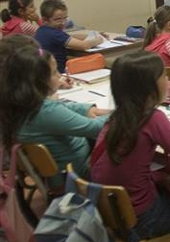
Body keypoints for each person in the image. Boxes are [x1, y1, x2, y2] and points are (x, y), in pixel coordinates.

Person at [91, 51, 170, 242]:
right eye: (163, 76)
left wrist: (162, 178)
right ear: (150, 86)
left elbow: (128, 171)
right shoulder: (152, 117)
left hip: (117, 215)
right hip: (144, 220)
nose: (168, 79)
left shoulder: (117, 118)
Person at [17, 51, 110, 184]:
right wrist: (120, 114)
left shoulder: (23, 103)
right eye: (55, 72)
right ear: (40, 80)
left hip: (58, 170)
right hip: (76, 174)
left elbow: (61, 108)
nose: (60, 76)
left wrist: (87, 109)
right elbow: (95, 128)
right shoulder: (46, 111)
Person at [34, 0, 104, 73]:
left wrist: (92, 35)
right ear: (45, 20)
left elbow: (69, 36)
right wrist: (99, 39)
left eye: (65, 18)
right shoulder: (55, 34)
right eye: (58, 20)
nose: (63, 23)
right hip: (58, 73)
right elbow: (84, 45)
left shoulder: (42, 30)